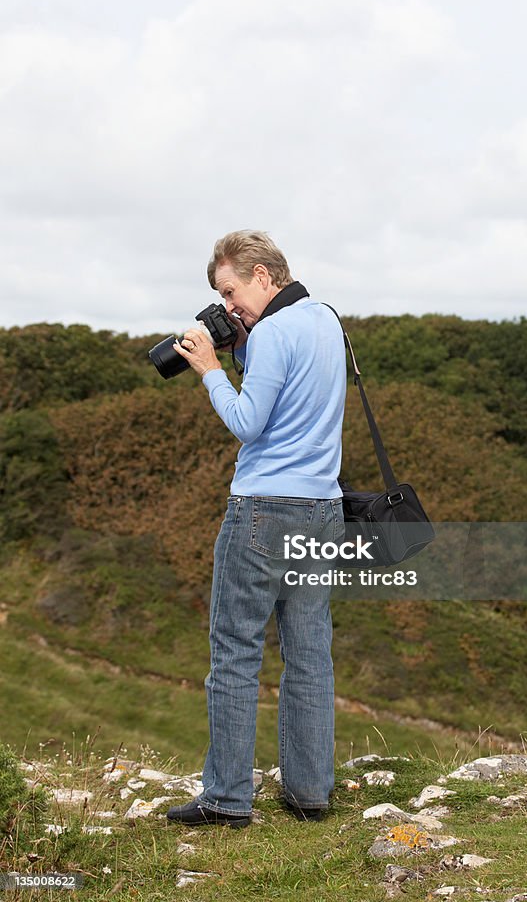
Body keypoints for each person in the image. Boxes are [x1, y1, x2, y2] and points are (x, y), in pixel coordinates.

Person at [165, 231, 346, 829]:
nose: (228, 304)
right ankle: (310, 792)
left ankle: (226, 799)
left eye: (230, 290)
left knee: (237, 652)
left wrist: (212, 369)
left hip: (263, 510)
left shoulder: (270, 331)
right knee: (310, 653)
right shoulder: (326, 320)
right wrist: (245, 343)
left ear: (263, 276)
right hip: (323, 509)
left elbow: (248, 423)